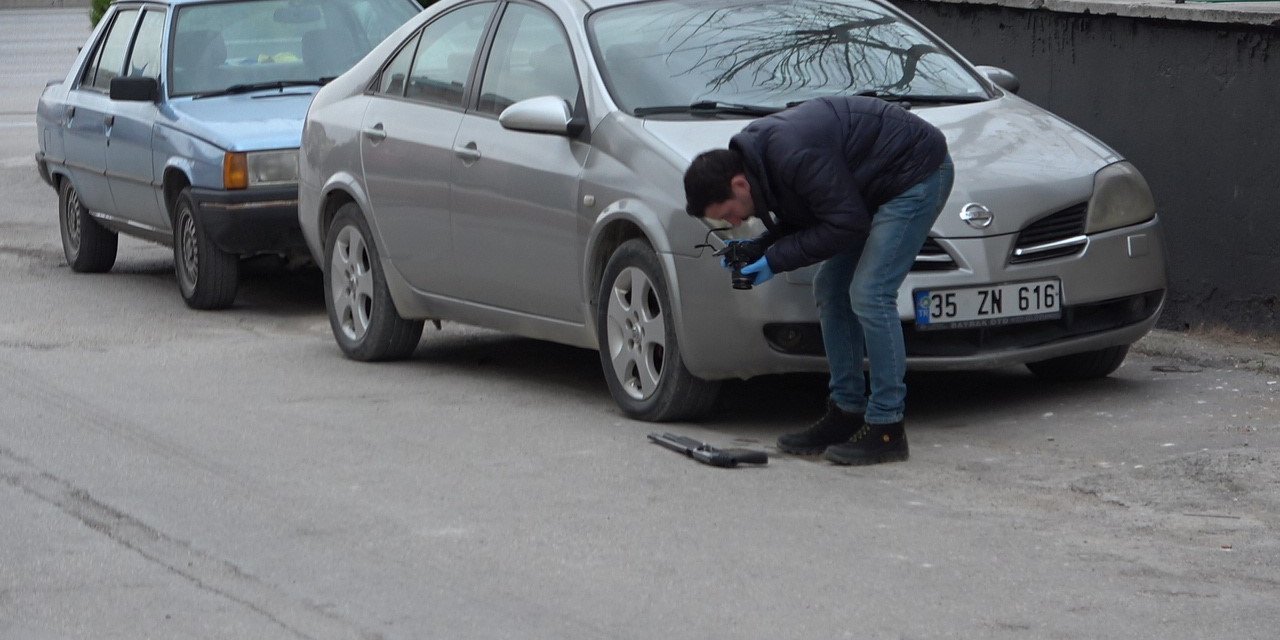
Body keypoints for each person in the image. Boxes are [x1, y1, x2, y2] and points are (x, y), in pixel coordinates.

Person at [683, 96, 953, 465]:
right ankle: (847, 411)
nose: (731, 223)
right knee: (829, 288)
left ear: (739, 184)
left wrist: (773, 260)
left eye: (727, 214)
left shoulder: (791, 154)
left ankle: (887, 426)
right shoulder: (761, 161)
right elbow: (811, 209)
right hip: (867, 188)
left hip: (916, 173)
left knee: (870, 293)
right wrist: (761, 246)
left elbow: (845, 223)